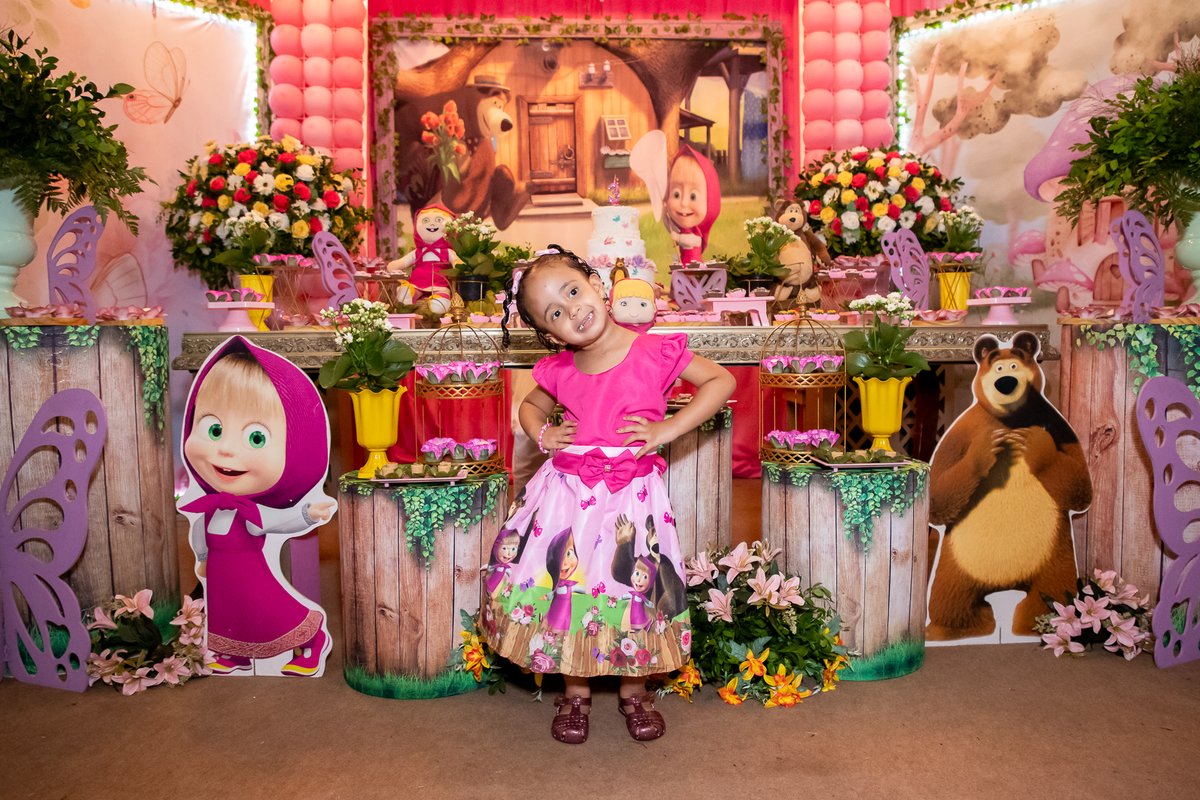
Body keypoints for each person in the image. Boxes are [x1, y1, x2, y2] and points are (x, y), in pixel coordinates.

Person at [488, 247, 736, 744]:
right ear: (551, 334)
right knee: (570, 582)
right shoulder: (559, 368)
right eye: (555, 313)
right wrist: (543, 435)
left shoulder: (654, 351)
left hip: (630, 497)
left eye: (573, 291)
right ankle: (574, 691)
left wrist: (667, 429)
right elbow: (530, 408)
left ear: (598, 285)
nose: (573, 310)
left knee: (630, 585)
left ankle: (634, 691)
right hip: (569, 497)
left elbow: (720, 380)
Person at [179, 337, 335, 677]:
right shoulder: (210, 506)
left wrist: (308, 513)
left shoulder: (249, 513)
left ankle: (312, 639)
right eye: (214, 430)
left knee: (270, 610)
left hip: (253, 577)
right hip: (221, 575)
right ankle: (234, 654)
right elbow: (201, 535)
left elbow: (279, 522)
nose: (226, 451)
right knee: (228, 614)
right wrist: (202, 558)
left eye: (256, 438)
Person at [664, 144, 721, 265]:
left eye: (693, 196)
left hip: (694, 269)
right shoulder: (680, 230)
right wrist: (665, 214)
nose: (684, 203)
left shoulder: (696, 235)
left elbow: (692, 241)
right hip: (683, 267)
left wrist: (678, 238)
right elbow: (670, 227)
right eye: (676, 194)